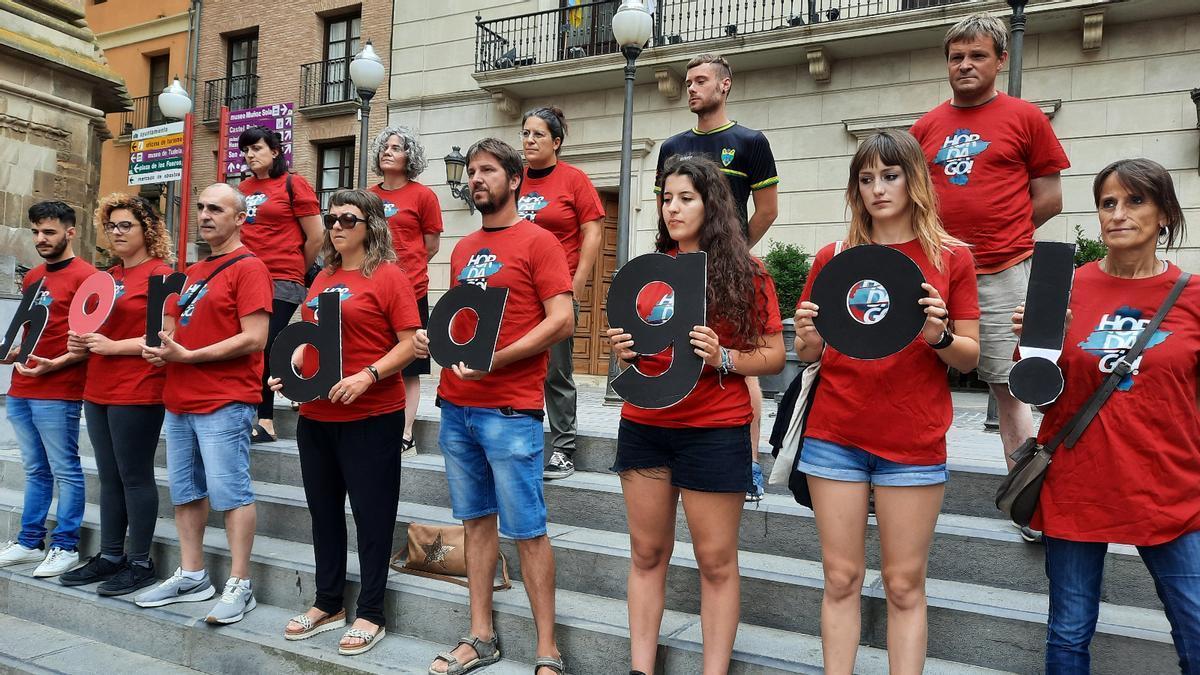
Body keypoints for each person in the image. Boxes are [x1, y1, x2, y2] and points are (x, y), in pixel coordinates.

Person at [794, 130, 980, 674]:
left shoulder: (951, 259)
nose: (878, 188)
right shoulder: (834, 257)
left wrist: (938, 335)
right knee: (840, 578)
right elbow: (813, 351)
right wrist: (807, 334)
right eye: (866, 178)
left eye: (890, 175)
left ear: (915, 181)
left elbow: (970, 357)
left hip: (913, 439)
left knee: (903, 585)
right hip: (836, 434)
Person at [1012, 159, 1199, 673]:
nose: (1118, 214)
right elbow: (1040, 397)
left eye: (1135, 201)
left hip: (1169, 488)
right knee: (1069, 635)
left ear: (1164, 214)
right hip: (1079, 483)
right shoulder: (1062, 285)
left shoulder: (1194, 295)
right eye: (1107, 203)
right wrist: (1037, 345)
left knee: (1196, 629)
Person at [606, 154, 785, 675]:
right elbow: (645, 346)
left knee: (715, 562)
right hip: (645, 425)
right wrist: (627, 352)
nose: (673, 209)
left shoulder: (746, 274)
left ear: (712, 204)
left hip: (713, 430)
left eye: (686, 198)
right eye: (666, 198)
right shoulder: (650, 272)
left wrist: (723, 357)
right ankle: (641, 668)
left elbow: (773, 355)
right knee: (645, 554)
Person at [413, 138, 573, 675]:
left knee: (527, 530)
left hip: (510, 410)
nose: (476, 178)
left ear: (513, 179)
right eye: (471, 171)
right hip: (458, 407)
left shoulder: (540, 241)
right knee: (476, 524)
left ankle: (548, 650)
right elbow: (462, 323)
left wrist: (497, 360)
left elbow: (562, 320)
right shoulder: (463, 247)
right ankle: (481, 637)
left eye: (487, 170)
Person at [909, 12, 1069, 542]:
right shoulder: (926, 128)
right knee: (908, 374)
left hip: (1003, 273)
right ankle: (892, 479)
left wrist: (1004, 234)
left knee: (1011, 386)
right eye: (956, 57)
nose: (965, 65)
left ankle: (1025, 496)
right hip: (935, 275)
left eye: (977, 55)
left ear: (1000, 60)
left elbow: (1049, 197)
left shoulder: (1025, 117)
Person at [272, 189, 420, 655]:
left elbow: (411, 343)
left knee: (373, 518)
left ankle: (371, 611)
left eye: (347, 218)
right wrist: (294, 368)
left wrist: (368, 374)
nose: (336, 226)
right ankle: (328, 602)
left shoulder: (389, 276)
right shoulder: (323, 277)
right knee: (324, 516)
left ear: (370, 225)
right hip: (317, 415)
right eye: (331, 218)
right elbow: (312, 336)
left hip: (371, 415)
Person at [136, 183, 273, 625]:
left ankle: (240, 584)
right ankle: (193, 575)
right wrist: (164, 348)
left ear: (240, 218)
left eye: (216, 208)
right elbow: (176, 329)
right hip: (180, 398)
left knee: (231, 493)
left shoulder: (250, 268)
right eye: (201, 207)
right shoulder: (195, 271)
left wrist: (191, 356)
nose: (205, 215)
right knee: (186, 491)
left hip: (224, 400)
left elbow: (255, 338)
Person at [656, 53, 779, 501]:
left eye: (701, 80)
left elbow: (767, 210)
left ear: (724, 86)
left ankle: (748, 465)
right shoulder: (672, 147)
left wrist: (731, 257)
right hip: (680, 266)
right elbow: (663, 210)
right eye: (688, 81)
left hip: (729, 270)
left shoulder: (750, 141)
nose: (691, 88)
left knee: (739, 359)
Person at [61, 194, 174, 595]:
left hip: (138, 387)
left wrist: (113, 345)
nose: (116, 232)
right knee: (109, 476)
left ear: (148, 229)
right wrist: (80, 346)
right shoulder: (107, 277)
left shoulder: (162, 274)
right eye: (111, 226)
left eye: (126, 225)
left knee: (134, 475)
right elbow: (89, 329)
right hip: (98, 386)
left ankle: (140, 562)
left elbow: (167, 336)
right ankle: (111, 556)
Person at [0, 201, 94, 578]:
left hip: (59, 388)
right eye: (37, 231)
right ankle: (29, 541)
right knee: (35, 468)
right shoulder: (33, 276)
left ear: (70, 232)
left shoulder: (88, 276)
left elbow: (88, 340)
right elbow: (34, 331)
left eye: (49, 232)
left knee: (66, 469)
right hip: (22, 386)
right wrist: (14, 352)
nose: (41, 238)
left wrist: (56, 364)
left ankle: (66, 545)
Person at [516, 106, 604, 480]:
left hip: (556, 293)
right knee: (518, 367)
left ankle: (563, 447)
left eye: (538, 134)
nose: (529, 140)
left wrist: (577, 284)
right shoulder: (513, 179)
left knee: (556, 371)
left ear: (556, 141)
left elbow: (594, 232)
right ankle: (522, 440)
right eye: (525, 133)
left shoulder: (574, 180)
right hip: (517, 293)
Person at [236, 125, 324, 443]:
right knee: (251, 346)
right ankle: (292, 383)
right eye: (245, 150)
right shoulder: (242, 189)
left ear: (275, 151)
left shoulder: (292, 183)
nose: (249, 155)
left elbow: (316, 236)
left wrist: (296, 269)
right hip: (246, 277)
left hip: (282, 279)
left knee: (266, 343)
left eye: (256, 148)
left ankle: (267, 420)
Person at [366, 126, 442, 456]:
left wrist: (403, 272)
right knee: (375, 358)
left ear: (409, 156)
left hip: (411, 291)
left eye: (396, 147)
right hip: (370, 292)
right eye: (384, 146)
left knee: (409, 365)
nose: (388, 151)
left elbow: (431, 245)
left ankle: (406, 432)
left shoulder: (423, 196)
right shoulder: (368, 196)